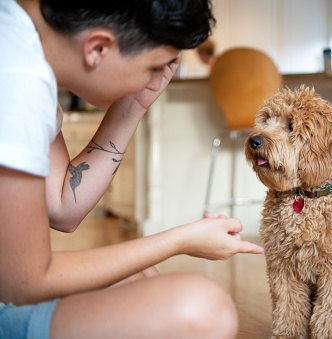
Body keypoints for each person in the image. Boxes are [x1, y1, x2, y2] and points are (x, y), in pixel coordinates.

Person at [0, 0, 264, 338]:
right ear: (97, 48)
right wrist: (180, 239)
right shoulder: (17, 80)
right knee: (202, 309)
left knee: (140, 279)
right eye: (152, 67)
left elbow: (62, 206)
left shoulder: (22, 46)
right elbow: (25, 283)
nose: (153, 78)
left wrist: (133, 103)